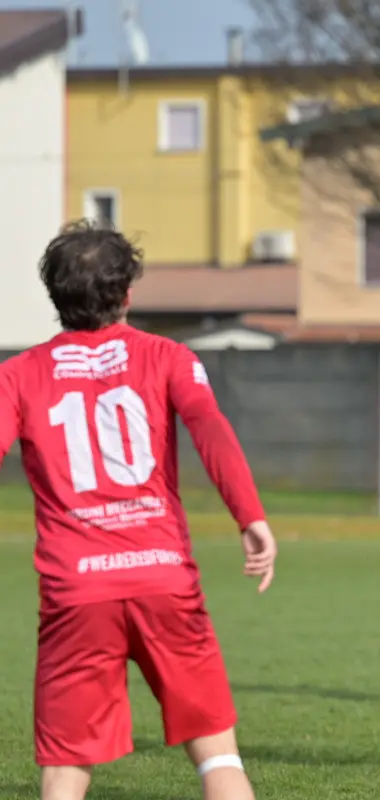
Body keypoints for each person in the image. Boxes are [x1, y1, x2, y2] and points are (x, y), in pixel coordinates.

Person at [0, 222, 278, 800]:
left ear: (56, 298)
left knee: (63, 772)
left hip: (75, 590)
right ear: (128, 293)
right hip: (163, 577)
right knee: (217, 754)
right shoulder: (168, 357)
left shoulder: (17, 375)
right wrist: (249, 516)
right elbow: (209, 428)